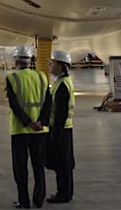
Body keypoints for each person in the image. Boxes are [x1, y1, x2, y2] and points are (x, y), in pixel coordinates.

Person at [5, 45, 51, 209]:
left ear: (16, 61)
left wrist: (28, 122)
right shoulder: (42, 77)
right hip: (40, 131)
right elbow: (48, 103)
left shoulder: (12, 78)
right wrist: (41, 122)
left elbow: (15, 105)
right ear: (31, 60)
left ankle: (24, 201)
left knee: (20, 168)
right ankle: (39, 200)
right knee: (38, 166)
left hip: (20, 130)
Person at [46, 50, 75, 204]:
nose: (50, 65)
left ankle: (63, 194)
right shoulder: (61, 82)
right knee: (64, 163)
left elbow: (60, 113)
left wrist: (55, 134)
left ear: (61, 65)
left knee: (62, 164)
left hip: (61, 129)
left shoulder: (62, 85)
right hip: (65, 129)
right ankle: (66, 192)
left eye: (53, 63)